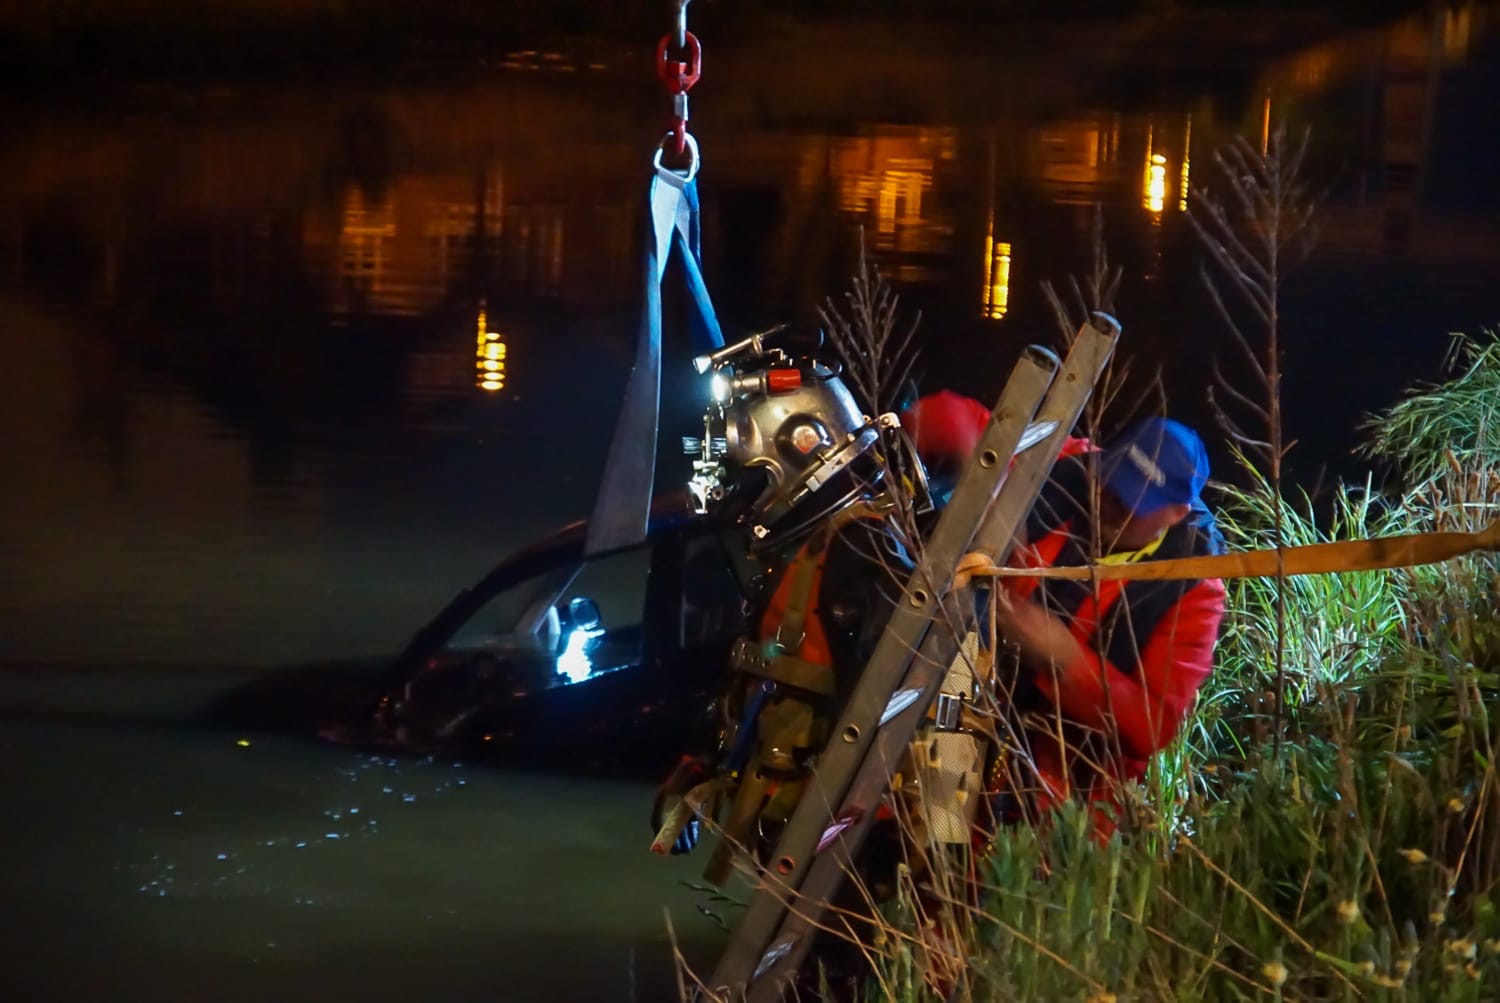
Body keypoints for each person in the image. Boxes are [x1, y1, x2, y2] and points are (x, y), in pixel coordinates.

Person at [987, 414, 1227, 837]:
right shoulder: (1070, 468)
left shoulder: (1195, 590)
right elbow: (980, 427)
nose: (1106, 501)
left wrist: (1061, 658)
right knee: (926, 843)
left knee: (993, 892)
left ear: (1175, 513)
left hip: (1061, 797)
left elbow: (1152, 726)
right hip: (967, 724)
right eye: (1110, 481)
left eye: (1131, 501)